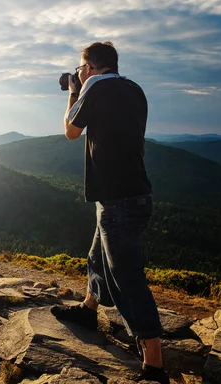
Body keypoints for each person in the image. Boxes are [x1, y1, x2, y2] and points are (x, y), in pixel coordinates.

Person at [51, 42, 169, 384]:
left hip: (118, 200)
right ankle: (89, 309)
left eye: (80, 68)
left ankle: (155, 364)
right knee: (97, 255)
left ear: (89, 68)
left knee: (128, 280)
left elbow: (71, 131)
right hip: (135, 195)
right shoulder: (134, 89)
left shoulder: (96, 88)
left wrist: (73, 92)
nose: (78, 73)